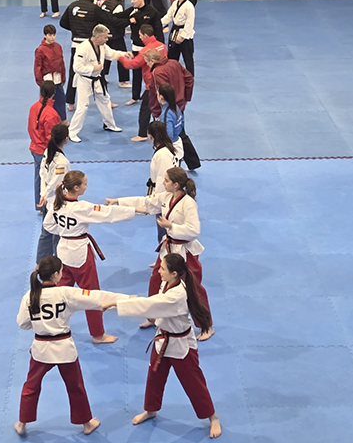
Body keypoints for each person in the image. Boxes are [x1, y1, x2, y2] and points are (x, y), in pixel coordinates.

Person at [103, 253, 221, 438]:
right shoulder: (166, 284)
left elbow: (149, 304)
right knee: (154, 378)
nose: (159, 270)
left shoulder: (176, 295)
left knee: (194, 383)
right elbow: (151, 304)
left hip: (181, 346)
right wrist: (120, 302)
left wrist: (116, 304)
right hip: (162, 339)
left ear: (174, 273)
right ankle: (151, 410)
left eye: (163, 268)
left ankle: (213, 417)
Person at [15, 255, 127, 437]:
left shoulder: (30, 296)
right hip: (64, 349)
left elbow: (22, 323)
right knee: (75, 387)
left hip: (41, 349)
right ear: (56, 275)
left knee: (31, 386)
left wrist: (39, 324)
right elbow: (95, 297)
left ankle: (22, 422)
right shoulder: (65, 293)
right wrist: (125, 300)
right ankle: (87, 423)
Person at [106, 168, 214, 340]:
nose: (163, 183)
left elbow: (194, 230)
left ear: (176, 184)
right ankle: (153, 317)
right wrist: (118, 201)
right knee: (156, 280)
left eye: (166, 180)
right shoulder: (165, 197)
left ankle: (206, 325)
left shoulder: (188, 203)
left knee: (194, 289)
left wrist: (171, 226)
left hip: (185, 251)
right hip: (168, 249)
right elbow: (144, 201)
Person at [43, 170, 136, 342]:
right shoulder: (82, 207)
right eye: (85, 184)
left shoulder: (57, 203)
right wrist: (135, 211)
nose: (87, 186)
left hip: (62, 252)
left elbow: (48, 225)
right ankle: (98, 334)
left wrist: (65, 231)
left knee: (58, 294)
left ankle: (51, 329)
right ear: (76, 187)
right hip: (80, 254)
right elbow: (108, 214)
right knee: (92, 295)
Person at [60, 0, 130, 111]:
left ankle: (70, 102)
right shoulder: (94, 9)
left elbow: (63, 23)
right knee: (99, 72)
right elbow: (109, 20)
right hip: (90, 45)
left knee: (73, 72)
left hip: (76, 43)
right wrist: (128, 19)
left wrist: (75, 29)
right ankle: (106, 101)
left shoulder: (72, 6)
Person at [67, 25, 131, 143]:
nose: (107, 39)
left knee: (105, 101)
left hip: (97, 79)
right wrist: (93, 68)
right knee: (83, 107)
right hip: (84, 80)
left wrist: (123, 54)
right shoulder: (82, 48)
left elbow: (112, 54)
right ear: (97, 37)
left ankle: (109, 125)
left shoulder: (102, 46)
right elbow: (77, 67)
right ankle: (72, 132)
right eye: (105, 37)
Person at [144, 48, 201, 171]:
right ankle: (192, 162)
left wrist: (156, 111)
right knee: (180, 132)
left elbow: (161, 93)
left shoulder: (157, 72)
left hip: (166, 108)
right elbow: (189, 78)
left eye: (147, 62)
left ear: (152, 60)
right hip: (179, 104)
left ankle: (169, 165)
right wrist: (186, 97)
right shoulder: (174, 63)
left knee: (166, 136)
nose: (148, 65)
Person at [118, 24, 167, 142]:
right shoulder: (162, 46)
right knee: (162, 108)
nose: (139, 37)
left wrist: (120, 57)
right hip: (164, 81)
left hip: (152, 84)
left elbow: (132, 64)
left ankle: (142, 134)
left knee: (146, 109)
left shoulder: (145, 51)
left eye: (140, 35)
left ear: (145, 35)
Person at [35, 124, 70, 264]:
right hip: (57, 202)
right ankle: (58, 265)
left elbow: (42, 174)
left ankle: (40, 263)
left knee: (46, 233)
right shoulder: (62, 162)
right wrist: (46, 194)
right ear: (66, 139)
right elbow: (56, 183)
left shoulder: (47, 151)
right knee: (58, 234)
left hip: (47, 199)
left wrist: (43, 194)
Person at [126, 0, 165, 107]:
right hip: (136, 47)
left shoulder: (152, 12)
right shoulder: (132, 11)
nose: (132, 1)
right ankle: (135, 96)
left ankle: (158, 94)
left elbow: (158, 29)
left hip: (150, 49)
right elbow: (117, 18)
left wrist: (160, 46)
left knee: (153, 73)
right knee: (136, 73)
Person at [29, 81, 62, 210]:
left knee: (39, 178)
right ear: (54, 93)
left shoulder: (34, 107)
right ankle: (46, 206)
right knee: (50, 180)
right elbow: (52, 138)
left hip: (35, 147)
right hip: (45, 151)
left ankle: (40, 205)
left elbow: (30, 127)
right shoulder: (51, 114)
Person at [99, 0, 132, 88]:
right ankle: (123, 80)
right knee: (122, 56)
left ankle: (103, 75)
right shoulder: (118, 6)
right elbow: (117, 22)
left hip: (105, 34)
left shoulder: (106, 2)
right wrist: (128, 21)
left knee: (105, 55)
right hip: (116, 35)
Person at [162, 0, 196, 77]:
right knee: (172, 58)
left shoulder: (189, 6)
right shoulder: (175, 3)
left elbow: (189, 23)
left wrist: (182, 36)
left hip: (185, 36)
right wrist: (158, 24)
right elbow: (168, 17)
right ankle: (171, 76)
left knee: (188, 59)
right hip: (174, 32)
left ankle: (190, 78)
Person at [34, 24, 67, 122]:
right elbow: (37, 67)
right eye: (50, 35)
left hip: (57, 79)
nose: (52, 37)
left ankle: (62, 120)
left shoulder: (58, 47)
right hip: (47, 80)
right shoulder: (40, 50)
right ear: (45, 35)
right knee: (46, 102)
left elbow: (62, 63)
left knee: (61, 100)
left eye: (54, 35)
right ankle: (43, 120)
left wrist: (63, 77)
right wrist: (40, 82)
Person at [157, 83, 184, 159]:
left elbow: (169, 135)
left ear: (161, 97)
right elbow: (182, 123)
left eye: (157, 94)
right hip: (177, 142)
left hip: (170, 148)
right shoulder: (175, 107)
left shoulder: (166, 114)